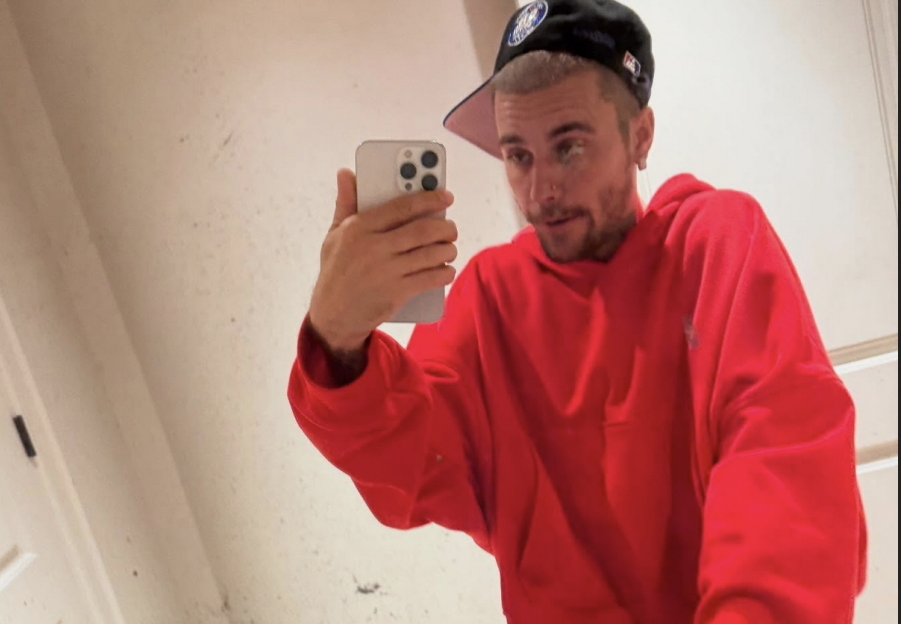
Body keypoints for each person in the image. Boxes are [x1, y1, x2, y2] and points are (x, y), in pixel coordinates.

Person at [287, 0, 868, 622]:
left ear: (639, 136)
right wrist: (338, 341)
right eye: (519, 155)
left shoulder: (713, 245)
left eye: (568, 147)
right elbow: (420, 464)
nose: (541, 191)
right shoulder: (490, 296)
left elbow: (784, 456)